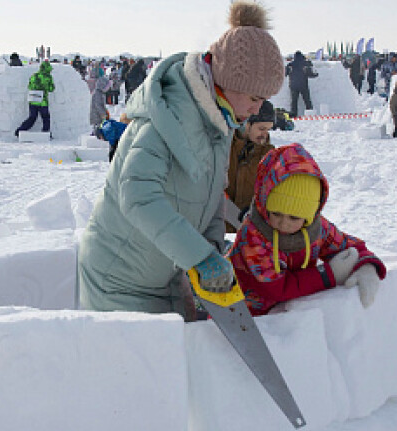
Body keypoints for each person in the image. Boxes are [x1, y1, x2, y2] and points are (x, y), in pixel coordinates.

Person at [77, 0, 285, 316]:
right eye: (255, 98)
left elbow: (211, 194)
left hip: (167, 278)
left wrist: (212, 250)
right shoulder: (166, 117)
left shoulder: (219, 120)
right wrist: (198, 256)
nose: (258, 109)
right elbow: (137, 197)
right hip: (120, 284)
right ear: (229, 83)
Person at [227, 143, 385, 316]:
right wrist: (327, 275)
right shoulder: (253, 236)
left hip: (287, 314)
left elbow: (350, 246)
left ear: (309, 216)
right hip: (241, 315)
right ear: (265, 204)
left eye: (294, 218)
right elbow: (274, 288)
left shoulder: (316, 229)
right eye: (276, 213)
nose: (283, 223)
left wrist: (366, 266)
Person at [226, 99, 276, 231]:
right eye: (261, 129)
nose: (264, 135)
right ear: (247, 124)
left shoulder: (269, 154)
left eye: (268, 130)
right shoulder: (224, 145)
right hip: (217, 228)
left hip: (248, 232)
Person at [15, 61, 55, 136]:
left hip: (33, 100)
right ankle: (45, 133)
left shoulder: (34, 76)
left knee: (32, 117)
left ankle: (20, 130)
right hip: (43, 101)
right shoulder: (48, 77)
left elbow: (29, 86)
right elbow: (51, 89)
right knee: (46, 118)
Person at [286, 51, 317, 117]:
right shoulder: (305, 64)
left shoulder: (290, 64)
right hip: (303, 85)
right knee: (307, 100)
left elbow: (285, 73)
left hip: (293, 85)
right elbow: (310, 74)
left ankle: (293, 114)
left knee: (294, 101)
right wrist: (315, 74)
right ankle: (310, 113)